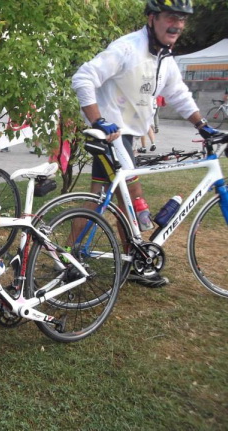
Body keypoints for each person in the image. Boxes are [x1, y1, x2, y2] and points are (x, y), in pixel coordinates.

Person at [72, 0, 220, 288]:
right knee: (131, 199)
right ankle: (113, 260)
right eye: (170, 17)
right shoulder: (128, 48)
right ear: (152, 18)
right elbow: (84, 77)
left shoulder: (164, 58)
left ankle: (88, 255)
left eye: (182, 19)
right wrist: (98, 120)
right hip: (112, 136)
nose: (177, 25)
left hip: (126, 137)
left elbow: (178, 94)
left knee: (105, 199)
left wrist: (202, 126)